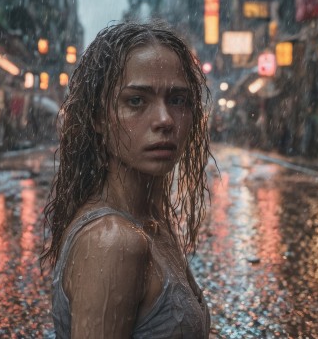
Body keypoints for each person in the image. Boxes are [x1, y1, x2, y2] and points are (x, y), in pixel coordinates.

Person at [42, 21, 212, 338]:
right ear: (97, 118)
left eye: (177, 100)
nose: (164, 120)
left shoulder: (151, 218)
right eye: (136, 101)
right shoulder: (113, 241)